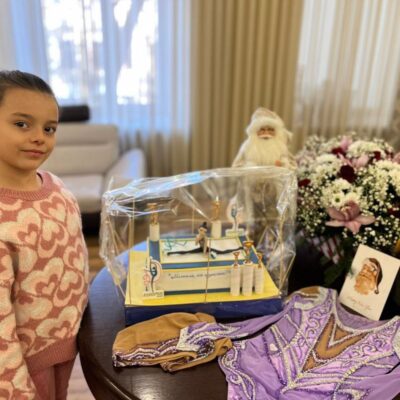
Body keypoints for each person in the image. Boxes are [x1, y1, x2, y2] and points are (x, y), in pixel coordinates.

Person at [0, 70, 89, 399]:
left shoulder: (58, 187)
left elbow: (76, 260)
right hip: (23, 364)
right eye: (22, 124)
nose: (39, 137)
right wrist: (15, 387)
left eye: (49, 128)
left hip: (68, 343)